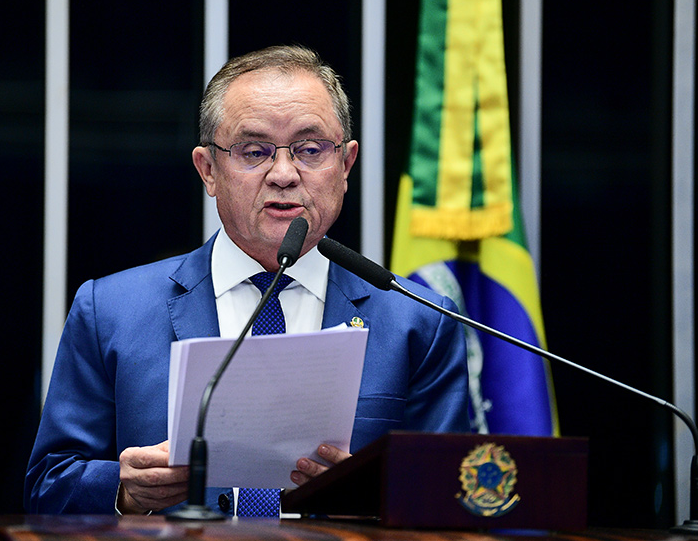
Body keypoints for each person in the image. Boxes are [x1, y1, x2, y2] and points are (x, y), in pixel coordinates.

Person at [24, 45, 470, 517]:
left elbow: (451, 502)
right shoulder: (111, 311)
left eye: (311, 150)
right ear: (208, 170)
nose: (283, 174)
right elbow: (46, 489)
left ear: (345, 166)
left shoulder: (419, 320)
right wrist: (122, 489)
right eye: (253, 151)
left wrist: (374, 494)